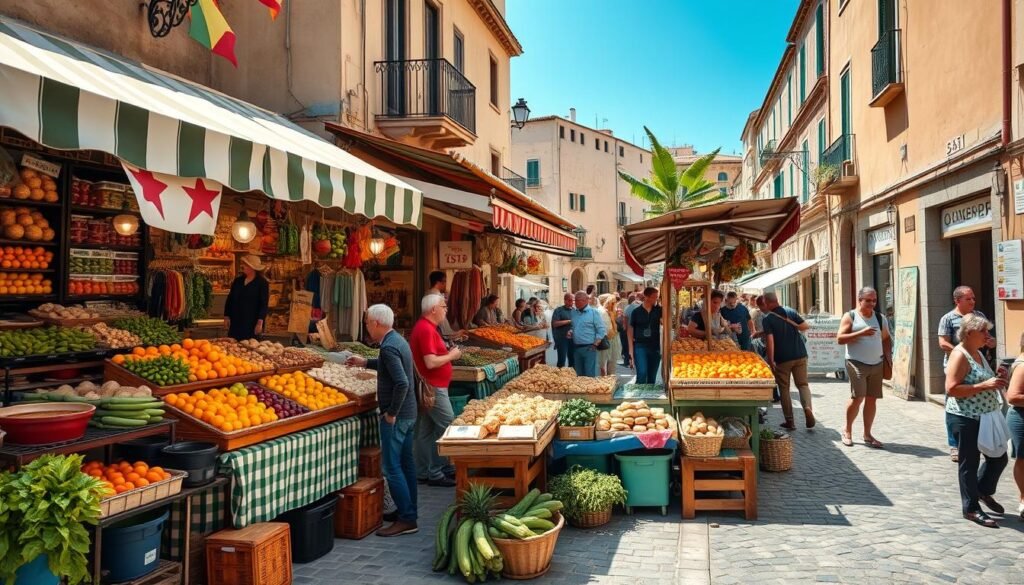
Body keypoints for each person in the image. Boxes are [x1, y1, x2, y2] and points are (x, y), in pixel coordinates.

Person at [347, 304, 419, 537]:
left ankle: (406, 518)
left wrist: (391, 413)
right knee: (406, 465)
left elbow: (402, 382)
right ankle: (409, 512)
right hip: (409, 413)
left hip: (397, 416)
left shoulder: (388, 347)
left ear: (376, 323)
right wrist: (365, 363)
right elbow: (391, 369)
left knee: (391, 467)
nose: (367, 327)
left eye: (368, 323)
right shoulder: (398, 341)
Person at [944, 314, 1007, 528]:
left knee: (999, 457)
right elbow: (951, 389)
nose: (988, 336)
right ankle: (971, 508)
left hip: (986, 415)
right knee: (969, 463)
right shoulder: (959, 354)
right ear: (969, 333)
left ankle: (981, 490)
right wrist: (984, 386)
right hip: (965, 416)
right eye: (984, 332)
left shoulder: (977, 352)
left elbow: (982, 379)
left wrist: (996, 377)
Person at [938, 286, 995, 462]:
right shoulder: (948, 318)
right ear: (957, 301)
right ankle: (954, 444)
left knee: (978, 399)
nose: (972, 302)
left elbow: (987, 337)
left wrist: (990, 341)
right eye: (968, 299)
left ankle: (979, 439)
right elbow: (942, 342)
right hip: (956, 365)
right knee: (953, 402)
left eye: (973, 298)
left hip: (979, 364)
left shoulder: (979, 316)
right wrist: (962, 353)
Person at [409, 294, 461, 488]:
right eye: (443, 306)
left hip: (431, 387)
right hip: (433, 388)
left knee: (425, 431)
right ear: (433, 309)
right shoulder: (425, 329)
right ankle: (437, 471)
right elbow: (430, 362)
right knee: (449, 425)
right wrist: (452, 355)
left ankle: (423, 471)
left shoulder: (428, 328)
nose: (446, 309)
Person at [836, 287, 891, 448]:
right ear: (859, 300)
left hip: (877, 363)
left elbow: (886, 339)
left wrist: (888, 357)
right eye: (868, 300)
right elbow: (840, 339)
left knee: (872, 399)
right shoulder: (851, 316)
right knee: (858, 397)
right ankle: (847, 430)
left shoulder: (880, 318)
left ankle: (867, 434)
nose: (871, 304)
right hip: (856, 362)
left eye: (874, 300)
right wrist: (861, 333)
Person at [762, 292, 815, 430]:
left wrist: (771, 360)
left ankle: (790, 421)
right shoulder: (790, 311)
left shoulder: (768, 319)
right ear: (777, 300)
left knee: (784, 388)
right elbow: (804, 326)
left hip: (782, 358)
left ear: (767, 303)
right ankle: (808, 408)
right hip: (800, 354)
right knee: (803, 385)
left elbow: (770, 341)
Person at [223, 255, 269, 341]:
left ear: (252, 267)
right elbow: (230, 299)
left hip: (251, 321)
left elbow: (264, 304)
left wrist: (260, 323)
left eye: (245, 264)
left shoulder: (262, 283)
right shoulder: (238, 281)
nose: (242, 266)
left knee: (249, 346)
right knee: (233, 345)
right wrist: (226, 316)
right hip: (236, 320)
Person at [1004, 332, 1024, 520]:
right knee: (1023, 459)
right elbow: (1013, 397)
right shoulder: (1022, 366)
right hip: (1021, 417)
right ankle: (1023, 499)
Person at [629, 287, 663, 384]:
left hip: (655, 346)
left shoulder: (659, 310)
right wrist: (631, 351)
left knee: (652, 377)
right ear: (646, 297)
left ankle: (649, 397)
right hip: (640, 345)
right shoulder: (636, 312)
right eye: (654, 297)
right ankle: (639, 395)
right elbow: (630, 331)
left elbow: (666, 324)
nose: (656, 299)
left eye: (657, 297)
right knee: (642, 373)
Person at [569, 291, 606, 377]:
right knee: (578, 374)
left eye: (578, 300)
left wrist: (595, 344)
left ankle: (590, 390)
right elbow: (574, 326)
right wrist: (571, 331)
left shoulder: (594, 313)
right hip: (576, 347)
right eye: (575, 300)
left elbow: (601, 330)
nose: (576, 303)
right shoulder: (574, 312)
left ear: (586, 300)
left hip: (589, 348)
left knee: (589, 374)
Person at [424, 271, 465, 342]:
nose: (446, 284)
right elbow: (442, 324)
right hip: (435, 336)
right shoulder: (436, 297)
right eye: (445, 281)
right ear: (439, 282)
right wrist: (456, 334)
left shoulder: (428, 293)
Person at [550, 293, 575, 368]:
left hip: (573, 339)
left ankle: (572, 376)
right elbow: (555, 324)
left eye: (573, 300)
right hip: (562, 339)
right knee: (561, 360)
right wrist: (569, 321)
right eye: (570, 300)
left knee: (573, 360)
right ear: (565, 301)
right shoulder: (558, 310)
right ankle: (560, 377)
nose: (572, 302)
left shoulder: (575, 310)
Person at [598, 296, 621, 376]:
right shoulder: (603, 313)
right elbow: (608, 330)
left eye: (614, 303)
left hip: (612, 339)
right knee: (604, 362)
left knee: (612, 362)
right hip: (607, 340)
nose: (613, 305)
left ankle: (610, 379)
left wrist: (616, 317)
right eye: (612, 303)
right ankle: (606, 380)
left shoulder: (612, 312)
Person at [618, 293, 636, 367]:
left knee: (626, 346)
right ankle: (632, 361)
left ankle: (627, 362)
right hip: (635, 331)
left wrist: (624, 328)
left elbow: (625, 319)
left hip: (628, 330)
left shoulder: (628, 307)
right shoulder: (637, 307)